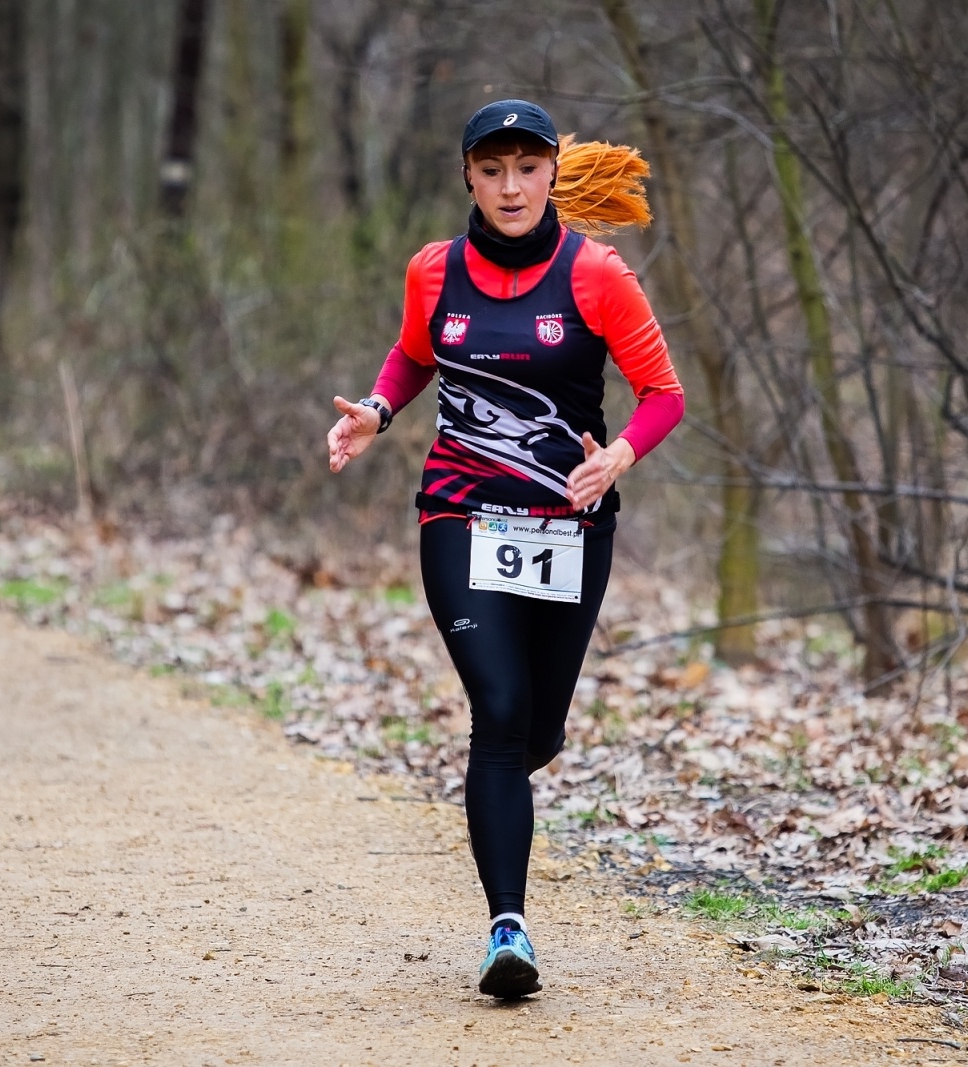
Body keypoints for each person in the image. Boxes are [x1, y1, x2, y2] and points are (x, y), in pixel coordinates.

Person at [326, 99, 684, 999]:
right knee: (499, 702)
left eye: (527, 167)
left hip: (569, 524)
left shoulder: (598, 276)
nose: (511, 186)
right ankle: (507, 930)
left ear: (553, 171)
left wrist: (619, 456)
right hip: (461, 515)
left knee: (539, 728)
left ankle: (498, 784)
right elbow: (413, 356)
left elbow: (663, 394)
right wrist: (376, 411)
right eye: (493, 170)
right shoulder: (433, 271)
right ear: (469, 179)